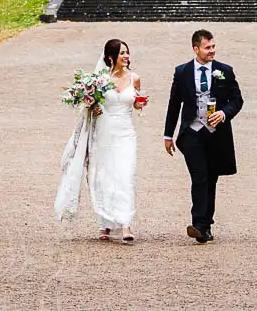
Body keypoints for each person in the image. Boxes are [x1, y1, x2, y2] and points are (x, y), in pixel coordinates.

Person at [55, 38, 147, 244]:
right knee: (103, 176)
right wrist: (93, 107)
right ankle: (105, 222)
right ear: (110, 57)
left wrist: (141, 104)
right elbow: (89, 105)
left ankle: (125, 224)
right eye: (122, 53)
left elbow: (136, 103)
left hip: (125, 133)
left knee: (125, 175)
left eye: (127, 52)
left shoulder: (135, 78)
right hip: (103, 133)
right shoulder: (100, 80)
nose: (126, 56)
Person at [163, 29, 244, 243]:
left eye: (213, 47)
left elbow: (237, 100)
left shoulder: (225, 71)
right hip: (192, 132)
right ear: (195, 48)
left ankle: (206, 225)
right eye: (208, 48)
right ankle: (198, 223)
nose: (212, 51)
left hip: (216, 134)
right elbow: (174, 104)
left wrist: (224, 113)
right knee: (199, 176)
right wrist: (168, 135)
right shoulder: (182, 72)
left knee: (211, 179)